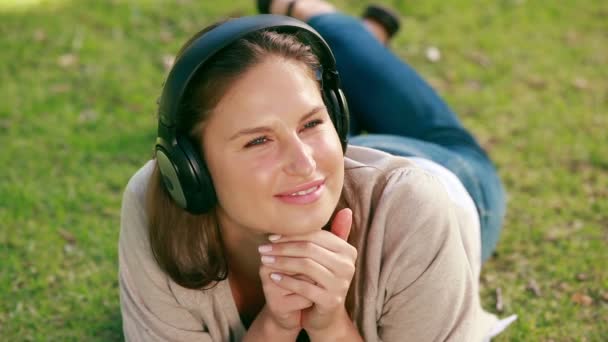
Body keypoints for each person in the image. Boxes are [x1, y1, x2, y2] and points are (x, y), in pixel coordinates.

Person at [119, 0, 514, 340]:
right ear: (189, 168)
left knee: (444, 134)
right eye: (258, 140)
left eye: (314, 122)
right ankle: (358, 47)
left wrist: (331, 327)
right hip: (335, 175)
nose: (303, 162)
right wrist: (276, 326)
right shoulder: (153, 204)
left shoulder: (415, 209)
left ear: (333, 117)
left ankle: (304, 9)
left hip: (435, 166)